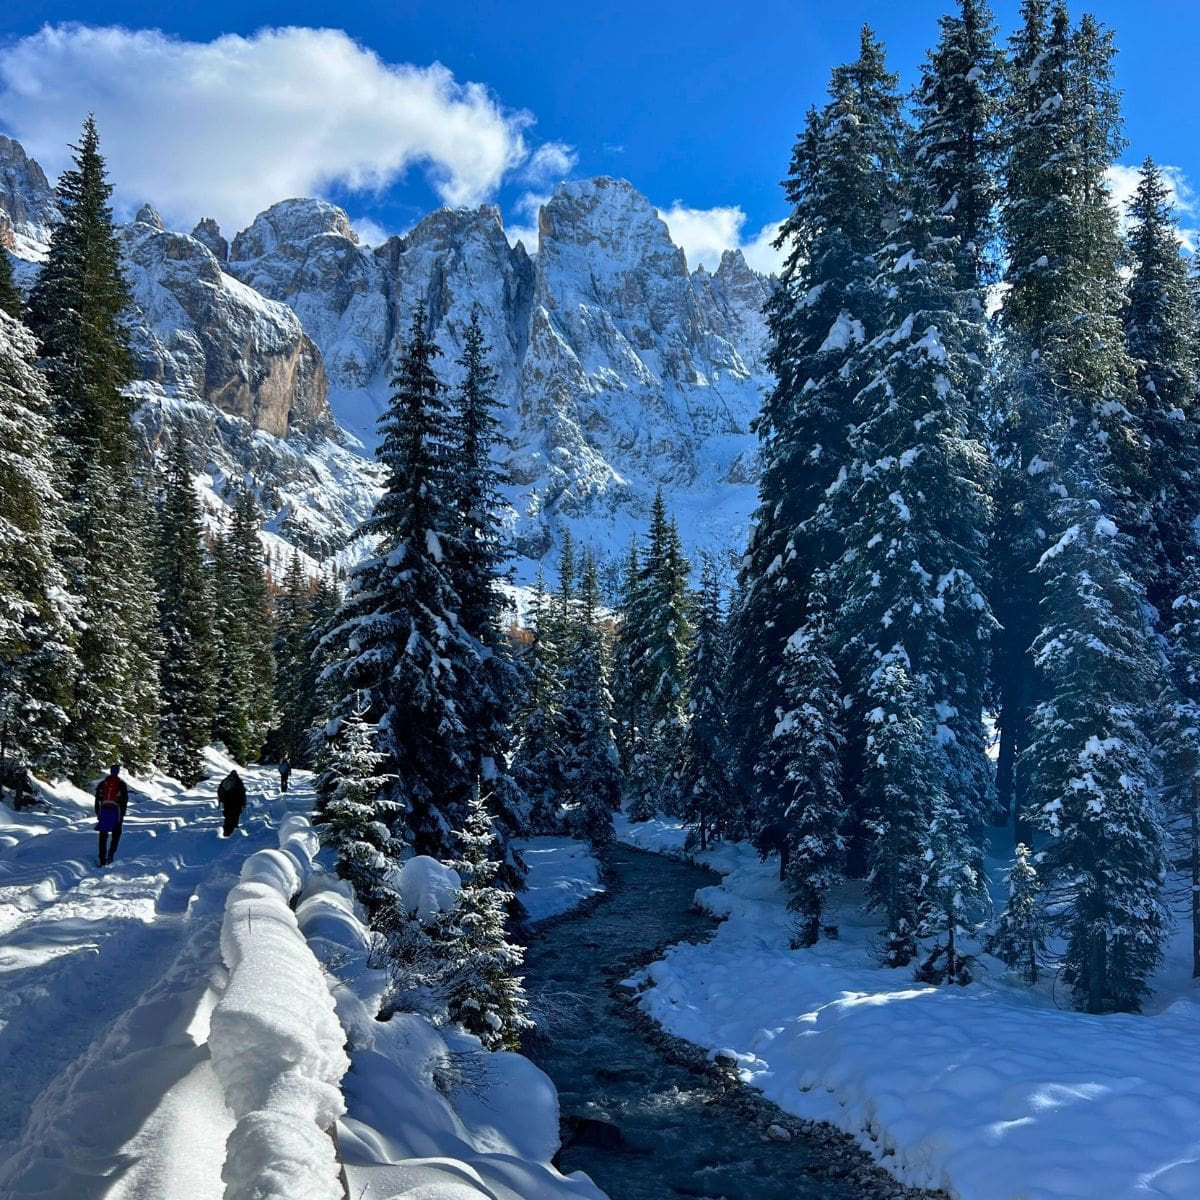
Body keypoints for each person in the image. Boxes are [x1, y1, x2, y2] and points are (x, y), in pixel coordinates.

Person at [94, 764, 128, 867]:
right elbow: (125, 800)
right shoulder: (121, 784)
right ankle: (111, 854)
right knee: (116, 834)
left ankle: (102, 860)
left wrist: (98, 813)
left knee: (103, 836)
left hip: (104, 811)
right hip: (116, 812)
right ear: (118, 771)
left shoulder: (102, 783)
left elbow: (97, 799)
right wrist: (122, 814)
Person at [217, 769, 247, 837]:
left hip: (227, 801)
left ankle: (226, 830)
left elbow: (219, 791)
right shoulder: (238, 781)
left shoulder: (225, 780)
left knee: (228, 816)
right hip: (236, 802)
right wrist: (243, 803)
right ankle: (233, 831)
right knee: (235, 816)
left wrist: (221, 800)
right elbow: (242, 793)